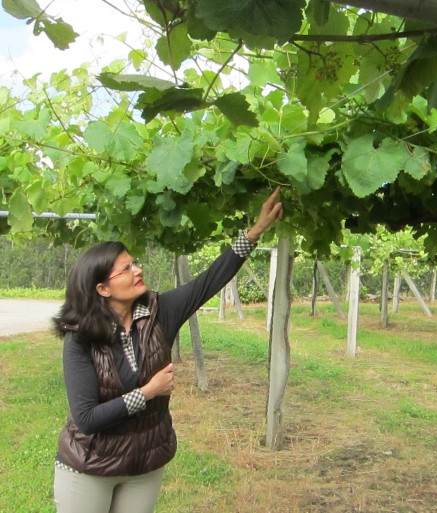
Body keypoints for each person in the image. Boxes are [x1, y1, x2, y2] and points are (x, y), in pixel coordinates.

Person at [51, 187, 283, 513]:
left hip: (145, 461)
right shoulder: (80, 339)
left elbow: (209, 281)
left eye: (135, 263)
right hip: (90, 465)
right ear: (102, 288)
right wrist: (148, 392)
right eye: (126, 269)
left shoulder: (162, 313)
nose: (138, 271)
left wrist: (255, 231)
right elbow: (87, 418)